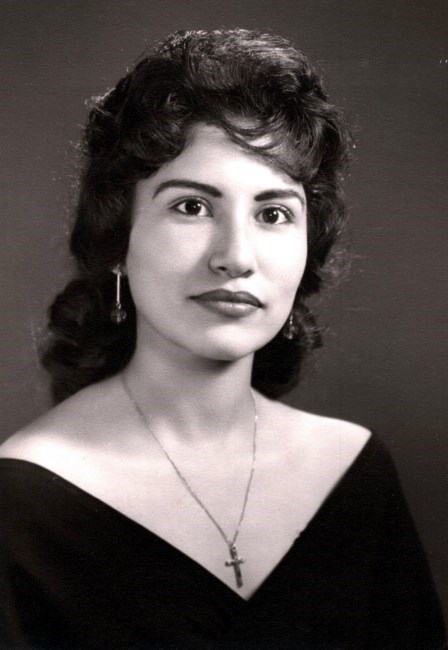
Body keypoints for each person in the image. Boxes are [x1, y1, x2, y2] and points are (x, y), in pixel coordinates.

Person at [0, 29, 444, 649]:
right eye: (192, 207)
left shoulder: (356, 470)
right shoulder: (21, 500)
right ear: (117, 239)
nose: (235, 256)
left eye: (273, 213)